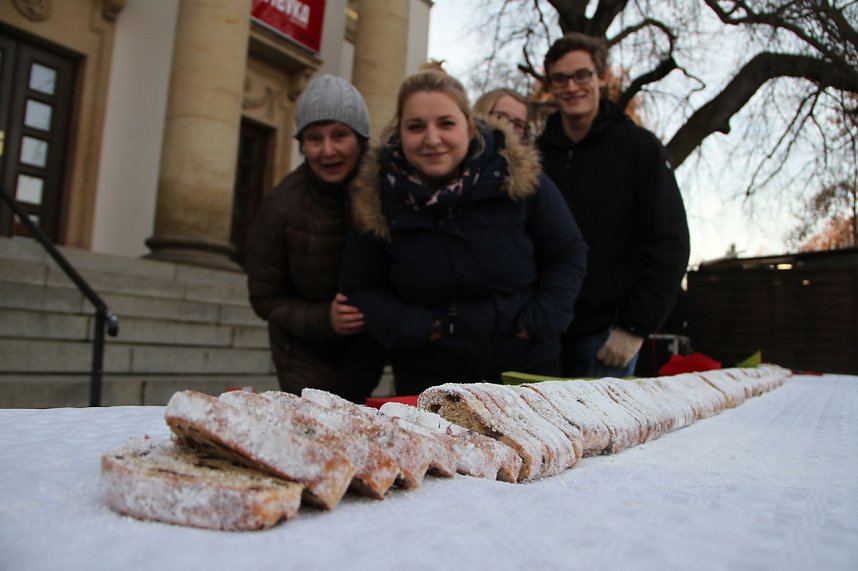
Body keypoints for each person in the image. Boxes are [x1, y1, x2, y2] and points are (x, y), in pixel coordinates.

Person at [340, 65, 588, 396]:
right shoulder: (377, 195)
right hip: (427, 376)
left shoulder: (519, 179)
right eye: (416, 126)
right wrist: (413, 327)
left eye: (446, 123)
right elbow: (361, 287)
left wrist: (539, 321)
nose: (432, 139)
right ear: (400, 131)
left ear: (469, 127)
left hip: (523, 370)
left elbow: (568, 252)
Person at [536, 33, 690, 379]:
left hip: (608, 340)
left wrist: (634, 327)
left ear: (602, 77)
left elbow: (670, 241)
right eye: (560, 78)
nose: (572, 86)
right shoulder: (536, 156)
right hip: (545, 336)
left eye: (582, 75)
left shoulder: (639, 149)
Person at [244, 74, 385, 403]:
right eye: (314, 138)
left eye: (339, 135)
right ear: (302, 144)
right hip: (303, 361)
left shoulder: (386, 192)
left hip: (366, 355)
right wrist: (325, 318)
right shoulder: (280, 207)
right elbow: (265, 299)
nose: (327, 150)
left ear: (360, 139)